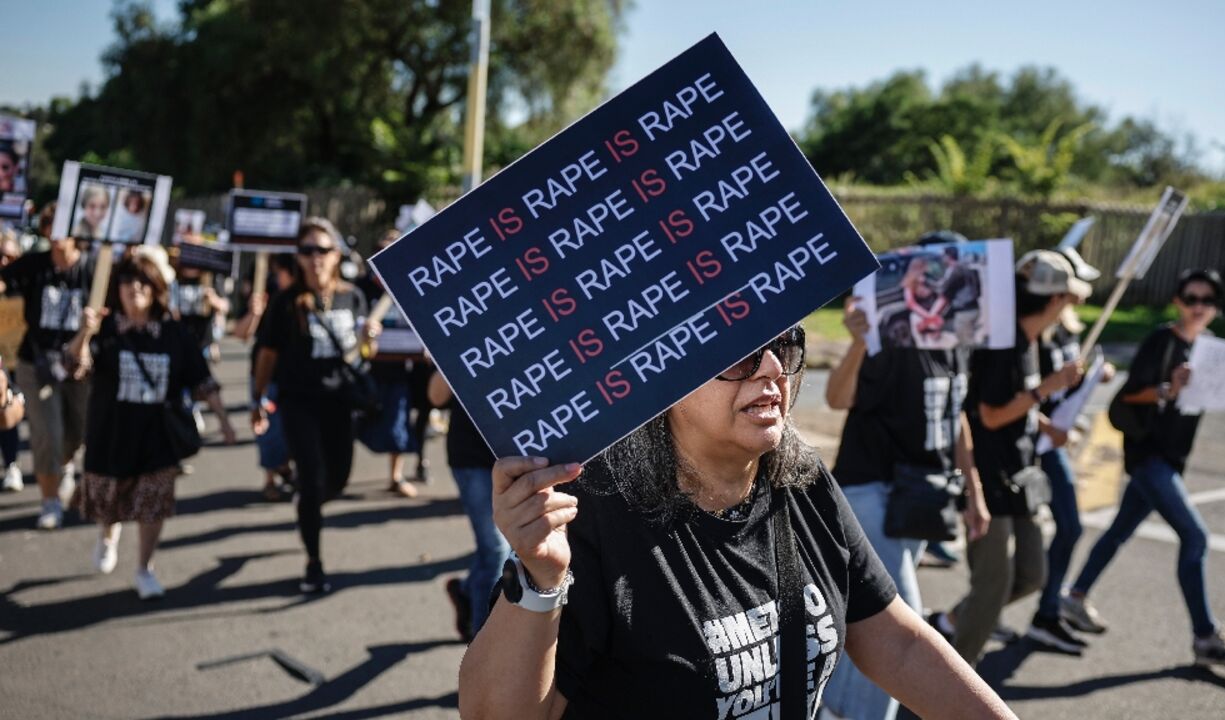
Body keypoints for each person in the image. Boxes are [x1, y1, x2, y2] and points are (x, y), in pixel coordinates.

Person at [458, 326, 1016, 719]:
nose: (772, 369)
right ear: (663, 375)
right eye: (740, 353)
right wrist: (538, 579)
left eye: (784, 344)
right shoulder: (591, 512)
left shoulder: (800, 481)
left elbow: (897, 643)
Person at [1066, 269, 1225, 667]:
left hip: (1173, 457)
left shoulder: (1211, 348)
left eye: (1206, 301)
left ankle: (1074, 597)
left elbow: (1223, 395)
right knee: (1195, 538)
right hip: (1149, 457)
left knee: (1119, 531)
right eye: (1191, 299)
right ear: (1177, 301)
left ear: (1215, 308)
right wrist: (1167, 388)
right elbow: (1128, 396)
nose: (1198, 307)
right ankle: (1205, 637)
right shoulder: (1161, 342)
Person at [821, 294, 991, 720]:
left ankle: (830, 710)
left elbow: (956, 416)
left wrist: (974, 490)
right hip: (871, 494)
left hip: (918, 501)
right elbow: (837, 398)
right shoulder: (890, 341)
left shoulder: (957, 344)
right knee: (897, 628)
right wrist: (859, 342)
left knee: (865, 624)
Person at [933, 251, 1088, 665]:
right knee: (992, 587)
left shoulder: (1030, 340)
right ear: (1055, 300)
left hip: (1020, 473)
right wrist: (1047, 390)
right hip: (989, 477)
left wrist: (1042, 423)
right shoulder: (1004, 343)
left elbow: (1009, 402)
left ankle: (949, 623)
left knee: (1031, 575)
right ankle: (954, 684)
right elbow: (990, 414)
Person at [68, 254, 235, 598]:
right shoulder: (105, 329)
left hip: (157, 437)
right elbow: (74, 367)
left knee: (153, 503)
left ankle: (145, 568)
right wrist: (84, 333)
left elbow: (201, 378)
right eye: (127, 282)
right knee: (110, 498)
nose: (135, 289)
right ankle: (107, 535)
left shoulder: (174, 333)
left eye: (143, 282)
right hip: (111, 434)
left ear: (157, 288)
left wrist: (224, 421)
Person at [251, 218, 380, 593]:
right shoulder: (286, 302)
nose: (315, 258)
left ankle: (308, 500)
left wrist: (369, 340)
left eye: (322, 250)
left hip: (340, 403)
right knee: (312, 480)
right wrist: (259, 398)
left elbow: (361, 355)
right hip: (298, 403)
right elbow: (267, 354)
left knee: (336, 479)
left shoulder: (352, 296)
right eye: (307, 251)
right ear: (299, 258)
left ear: (336, 255)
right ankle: (314, 562)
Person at [1023, 251, 1116, 653]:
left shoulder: (1064, 331)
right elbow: (1017, 396)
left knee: (1064, 528)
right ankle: (967, 617)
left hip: (1048, 441)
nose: (1077, 300)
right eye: (1070, 291)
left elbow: (1059, 388)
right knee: (1015, 543)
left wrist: (1091, 379)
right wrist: (1045, 424)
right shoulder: (1031, 333)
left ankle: (1045, 612)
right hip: (1031, 444)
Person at [0, 233, 94, 528]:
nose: (55, 236)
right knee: (46, 434)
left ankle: (64, 464)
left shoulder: (92, 269)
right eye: (49, 228)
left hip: (78, 366)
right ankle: (50, 501)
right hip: (36, 363)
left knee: (77, 433)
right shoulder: (34, 265)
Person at [429, 373, 504, 641]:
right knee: (496, 551)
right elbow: (436, 398)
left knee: (500, 551)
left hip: (520, 456)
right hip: (472, 458)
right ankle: (483, 643)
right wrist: (447, 361)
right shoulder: (465, 335)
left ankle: (466, 591)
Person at [356, 229, 423, 499]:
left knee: (398, 424)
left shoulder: (410, 286)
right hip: (364, 370)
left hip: (399, 370)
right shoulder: (361, 287)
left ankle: (396, 476)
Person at [234, 253, 297, 500]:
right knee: (268, 429)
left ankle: (287, 469)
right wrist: (255, 313)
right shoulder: (263, 287)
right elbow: (241, 333)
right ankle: (271, 478)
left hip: (296, 373)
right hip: (265, 370)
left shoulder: (306, 294)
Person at [0, 232, 25, 492]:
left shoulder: (25, 283)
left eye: (11, 256)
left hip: (20, 362)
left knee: (9, 413)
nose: (5, 260)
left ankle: (12, 465)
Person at [931, 246, 983, 346]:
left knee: (967, 342)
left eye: (943, 256)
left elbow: (944, 294)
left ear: (948, 257)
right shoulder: (964, 267)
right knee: (966, 336)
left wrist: (932, 314)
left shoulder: (955, 271)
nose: (942, 259)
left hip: (964, 312)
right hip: (974, 308)